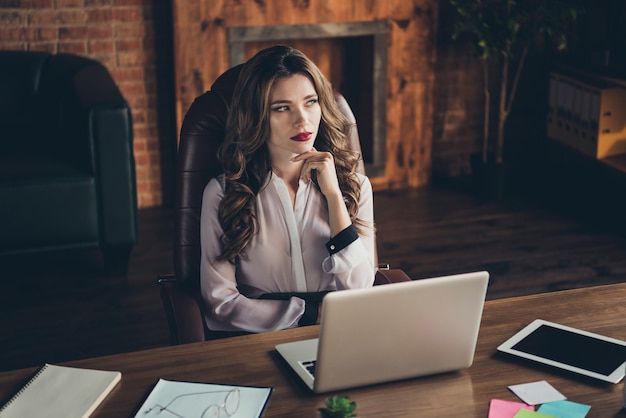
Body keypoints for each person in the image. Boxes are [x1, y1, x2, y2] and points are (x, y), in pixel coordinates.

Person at [199, 45, 375, 334]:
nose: (302, 120)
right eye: (282, 108)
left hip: (342, 337)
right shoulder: (222, 194)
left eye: (310, 102)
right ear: (255, 115)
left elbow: (359, 289)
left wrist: (333, 198)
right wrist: (308, 314)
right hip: (256, 341)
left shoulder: (355, 187)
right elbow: (219, 304)